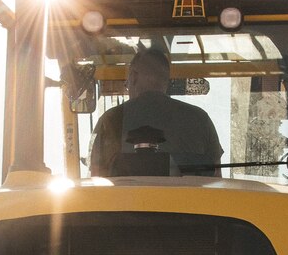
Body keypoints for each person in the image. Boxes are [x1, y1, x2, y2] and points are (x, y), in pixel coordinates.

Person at [89, 46, 222, 177]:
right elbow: (216, 177)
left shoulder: (111, 120)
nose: (127, 86)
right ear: (166, 80)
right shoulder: (200, 119)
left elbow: (97, 179)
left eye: (126, 82)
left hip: (128, 199)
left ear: (133, 77)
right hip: (191, 199)